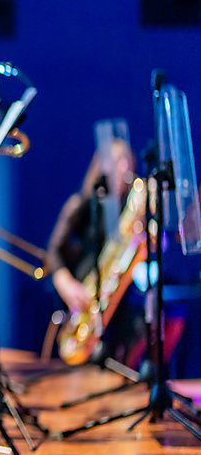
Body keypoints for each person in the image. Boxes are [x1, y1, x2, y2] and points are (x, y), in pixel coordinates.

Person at [47, 138, 147, 365]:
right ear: (102, 165)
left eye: (127, 161)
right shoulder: (82, 202)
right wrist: (65, 283)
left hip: (117, 296)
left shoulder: (128, 206)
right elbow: (54, 249)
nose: (124, 168)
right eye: (117, 161)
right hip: (83, 292)